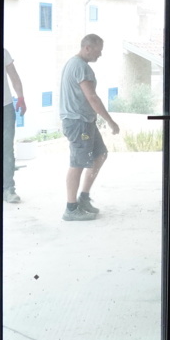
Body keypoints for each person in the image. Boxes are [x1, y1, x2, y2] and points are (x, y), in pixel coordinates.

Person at [59, 34, 119, 221]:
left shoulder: (75, 64)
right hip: (78, 123)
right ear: (87, 48)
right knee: (77, 163)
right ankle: (70, 209)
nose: (100, 54)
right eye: (98, 51)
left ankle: (83, 198)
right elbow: (92, 97)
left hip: (85, 121)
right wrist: (110, 121)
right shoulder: (80, 67)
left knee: (100, 154)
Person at [2, 49, 26, 204]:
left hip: (5, 106)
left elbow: (14, 76)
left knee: (6, 149)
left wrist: (21, 98)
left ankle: (8, 189)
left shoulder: (2, 52)